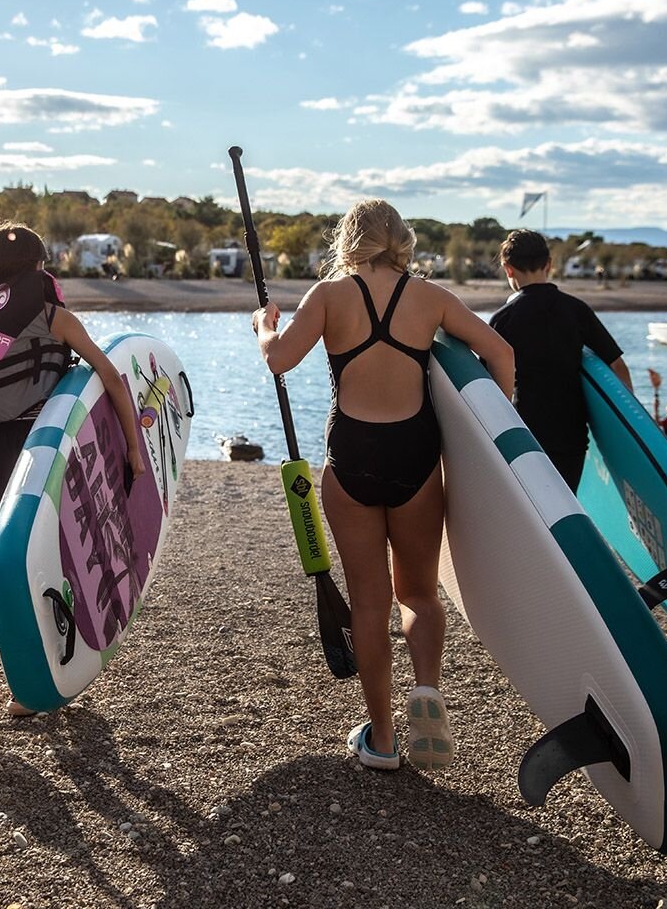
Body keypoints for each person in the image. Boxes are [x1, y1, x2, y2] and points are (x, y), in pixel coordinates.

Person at [252, 199, 514, 772]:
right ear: (402, 239)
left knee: (369, 604)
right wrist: (496, 440)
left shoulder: (328, 295)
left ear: (348, 238)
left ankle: (385, 737)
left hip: (351, 456)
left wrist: (264, 328)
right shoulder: (430, 297)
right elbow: (500, 352)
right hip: (417, 457)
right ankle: (427, 690)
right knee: (418, 594)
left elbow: (279, 362)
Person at [0, 221, 145, 714]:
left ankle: (29, 672)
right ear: (38, 267)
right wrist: (132, 447)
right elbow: (108, 375)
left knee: (21, 561)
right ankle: (61, 655)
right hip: (49, 451)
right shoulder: (55, 317)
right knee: (57, 554)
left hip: (4, 458)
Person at [489, 229, 633, 492]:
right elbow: (617, 366)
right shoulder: (576, 309)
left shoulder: (504, 318)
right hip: (572, 436)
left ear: (508, 269)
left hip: (525, 431)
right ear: (549, 265)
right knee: (566, 505)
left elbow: (491, 382)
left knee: (533, 510)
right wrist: (625, 424)